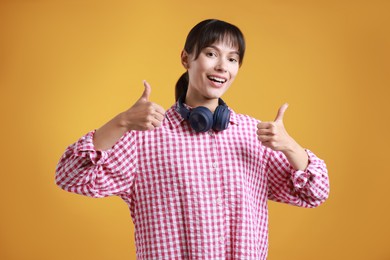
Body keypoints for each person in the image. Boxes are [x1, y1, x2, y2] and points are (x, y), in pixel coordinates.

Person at [55, 19, 330, 259]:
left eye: (232, 59)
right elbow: (69, 176)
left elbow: (315, 193)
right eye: (212, 54)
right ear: (186, 58)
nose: (222, 66)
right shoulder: (146, 136)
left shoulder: (255, 135)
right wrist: (121, 122)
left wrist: (290, 146)